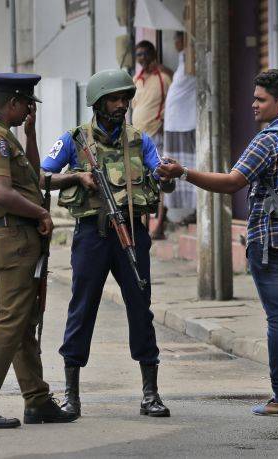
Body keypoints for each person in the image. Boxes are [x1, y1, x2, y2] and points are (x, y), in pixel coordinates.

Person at [157, 69, 278, 417]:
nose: (253, 105)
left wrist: (184, 172)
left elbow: (231, 182)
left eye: (261, 99)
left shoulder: (268, 140)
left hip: (270, 240)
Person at [42, 69, 176, 419]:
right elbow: (42, 176)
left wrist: (166, 175)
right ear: (98, 103)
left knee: (140, 307)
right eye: (114, 100)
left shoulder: (139, 140)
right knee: (82, 308)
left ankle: (150, 394)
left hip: (132, 234)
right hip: (92, 235)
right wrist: (75, 176)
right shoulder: (75, 139)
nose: (121, 106)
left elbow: (160, 174)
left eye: (125, 99)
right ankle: (71, 394)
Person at [0, 73, 76, 428]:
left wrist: (30, 134)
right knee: (11, 320)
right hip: (12, 237)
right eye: (27, 104)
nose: (30, 110)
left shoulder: (6, 138)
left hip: (18, 237)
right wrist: (41, 212)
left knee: (23, 322)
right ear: (13, 102)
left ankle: (37, 399)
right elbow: (1, 193)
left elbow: (32, 175)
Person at [131, 40, 172, 239]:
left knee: (160, 176)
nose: (142, 58)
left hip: (156, 133)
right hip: (137, 136)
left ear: (153, 55)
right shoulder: (135, 80)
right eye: (139, 54)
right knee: (140, 179)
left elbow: (169, 105)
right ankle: (143, 224)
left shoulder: (163, 78)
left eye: (146, 54)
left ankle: (160, 223)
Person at [162, 31, 197, 224]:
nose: (175, 43)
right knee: (172, 166)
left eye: (177, 39)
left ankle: (197, 209)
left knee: (190, 167)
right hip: (175, 123)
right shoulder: (184, 60)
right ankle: (187, 209)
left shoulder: (193, 58)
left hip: (185, 124)